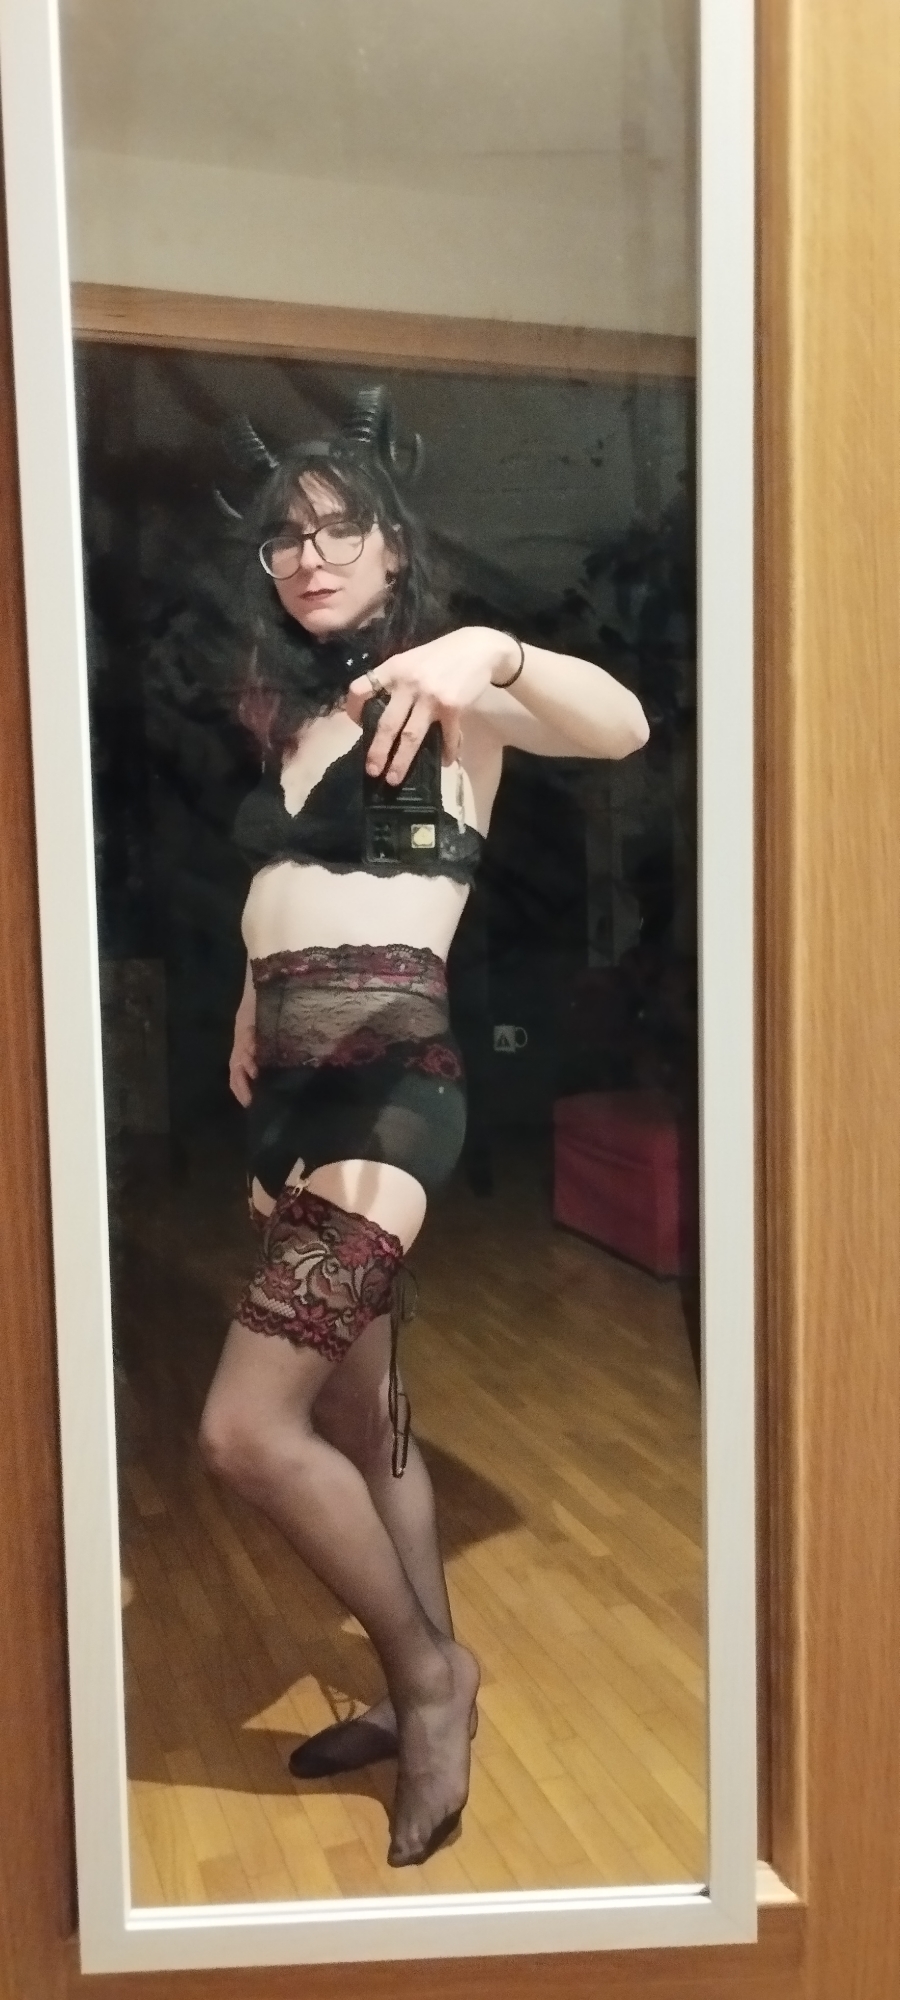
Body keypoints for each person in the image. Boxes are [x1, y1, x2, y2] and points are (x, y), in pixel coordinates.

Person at [197, 394, 648, 1868]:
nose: (308, 554)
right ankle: (419, 1680)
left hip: (391, 1082)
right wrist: (250, 999)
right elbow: (287, 891)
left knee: (246, 1430)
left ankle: (430, 1676)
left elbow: (625, 726)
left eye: (340, 528)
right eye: (285, 536)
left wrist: (490, 651)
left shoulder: (450, 691)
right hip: (290, 1090)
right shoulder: (299, 717)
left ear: (396, 546)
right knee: (359, 1408)